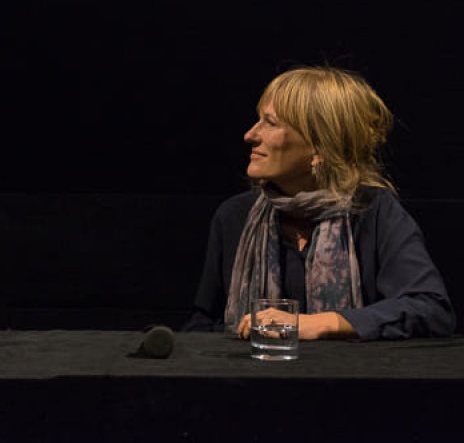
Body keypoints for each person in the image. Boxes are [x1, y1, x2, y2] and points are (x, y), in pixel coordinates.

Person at [183, 66, 455, 341]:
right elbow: (204, 322)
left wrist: (325, 323)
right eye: (258, 120)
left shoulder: (372, 211)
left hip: (349, 379)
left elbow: (431, 309)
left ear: (319, 147)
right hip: (251, 378)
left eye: (271, 123)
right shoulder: (235, 216)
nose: (250, 135)